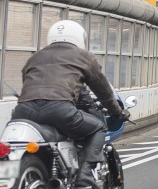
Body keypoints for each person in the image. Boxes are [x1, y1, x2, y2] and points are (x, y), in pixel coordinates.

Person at [11, 20, 128, 189]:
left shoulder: (36, 56)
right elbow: (104, 92)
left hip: (22, 111)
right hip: (58, 110)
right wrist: (117, 112)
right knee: (98, 128)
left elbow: (29, 83)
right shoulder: (84, 57)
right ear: (79, 38)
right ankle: (85, 176)